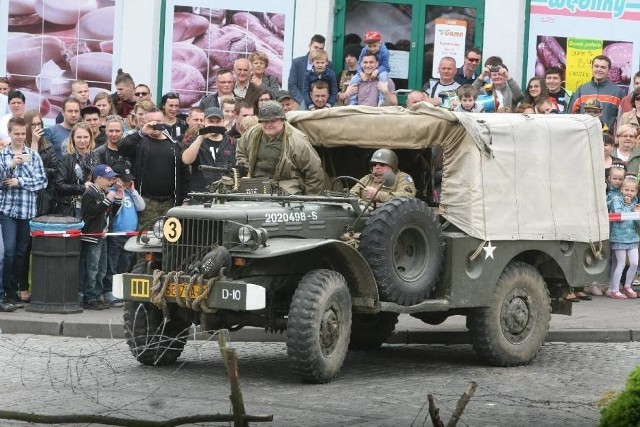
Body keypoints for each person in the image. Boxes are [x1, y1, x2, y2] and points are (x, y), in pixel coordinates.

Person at [0, 116, 47, 310]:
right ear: (9, 133)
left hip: (27, 210)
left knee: (21, 253)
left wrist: (20, 181)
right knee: (8, 252)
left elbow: (42, 181)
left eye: (22, 133)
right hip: (7, 209)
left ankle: (15, 290)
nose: (20, 137)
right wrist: (10, 167)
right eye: (16, 134)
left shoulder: (33, 155)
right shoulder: (3, 154)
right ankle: (6, 291)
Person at [118, 107, 190, 228]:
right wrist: (141, 133)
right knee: (145, 240)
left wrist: (186, 200)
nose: (155, 124)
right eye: (151, 121)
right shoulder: (139, 142)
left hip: (170, 202)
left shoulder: (174, 145)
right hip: (145, 202)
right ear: (145, 123)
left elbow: (185, 174)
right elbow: (122, 147)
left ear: (164, 121)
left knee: (169, 241)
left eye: (158, 121)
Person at [236, 101, 324, 195]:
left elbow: (314, 173)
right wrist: (246, 169)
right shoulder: (251, 134)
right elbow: (241, 151)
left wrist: (309, 202)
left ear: (283, 120)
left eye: (273, 121)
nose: (268, 124)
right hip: (255, 183)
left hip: (286, 184)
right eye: (265, 121)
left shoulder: (298, 142)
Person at [103, 160, 145, 307]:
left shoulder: (130, 192)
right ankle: (109, 291)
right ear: (115, 179)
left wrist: (132, 191)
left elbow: (141, 206)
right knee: (112, 264)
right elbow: (115, 212)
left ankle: (121, 291)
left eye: (128, 181)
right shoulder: (112, 193)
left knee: (125, 264)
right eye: (124, 180)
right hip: (117, 235)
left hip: (130, 235)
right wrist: (119, 192)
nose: (127, 183)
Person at [79, 164, 118, 310]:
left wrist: (117, 200)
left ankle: (97, 294)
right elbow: (90, 212)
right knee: (92, 268)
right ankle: (89, 297)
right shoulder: (90, 193)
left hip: (102, 235)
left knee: (102, 268)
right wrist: (107, 201)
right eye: (108, 179)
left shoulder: (103, 192)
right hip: (92, 235)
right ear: (99, 178)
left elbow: (109, 213)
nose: (111, 182)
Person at [182, 107, 236, 202]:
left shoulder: (231, 142)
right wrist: (200, 138)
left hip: (225, 196)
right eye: (211, 121)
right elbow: (186, 160)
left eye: (218, 121)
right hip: (200, 196)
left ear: (223, 122)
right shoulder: (195, 140)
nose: (214, 124)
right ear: (204, 122)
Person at [54, 123, 98, 217]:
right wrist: (83, 187)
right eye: (79, 137)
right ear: (73, 138)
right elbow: (59, 186)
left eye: (85, 137)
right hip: (74, 208)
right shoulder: (65, 160)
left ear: (90, 137)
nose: (82, 140)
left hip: (94, 206)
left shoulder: (97, 157)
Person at [569, 55, 624, 129]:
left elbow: (623, 119)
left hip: (607, 138)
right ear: (592, 68)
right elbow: (571, 116)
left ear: (608, 70)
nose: (599, 69)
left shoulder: (617, 92)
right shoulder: (581, 90)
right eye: (596, 66)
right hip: (584, 136)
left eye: (603, 67)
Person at [607, 176, 640, 299]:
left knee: (634, 263)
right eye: (626, 190)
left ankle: (627, 286)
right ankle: (614, 289)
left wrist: (637, 213)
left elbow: (638, 224)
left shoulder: (635, 203)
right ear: (622, 190)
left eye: (632, 191)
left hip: (632, 237)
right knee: (620, 263)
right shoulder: (616, 200)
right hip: (619, 237)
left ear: (636, 192)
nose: (629, 193)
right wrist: (629, 207)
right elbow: (619, 216)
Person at [350, 149, 416, 203]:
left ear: (392, 167)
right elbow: (351, 194)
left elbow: (408, 197)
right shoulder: (368, 178)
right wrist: (363, 204)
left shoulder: (402, 178)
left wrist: (378, 195)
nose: (377, 167)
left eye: (382, 164)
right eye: (374, 164)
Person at [24, 110, 58, 216]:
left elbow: (55, 171)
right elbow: (27, 169)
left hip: (44, 196)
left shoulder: (48, 146)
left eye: (39, 124)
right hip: (25, 195)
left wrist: (39, 171)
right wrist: (34, 142)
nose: (37, 127)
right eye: (33, 125)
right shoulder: (20, 145)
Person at [288, 34, 330, 107]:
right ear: (310, 46)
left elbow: (330, 86)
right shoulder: (297, 62)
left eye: (321, 49)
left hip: (321, 103)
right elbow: (292, 85)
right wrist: (303, 102)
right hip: (301, 102)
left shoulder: (328, 64)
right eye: (315, 47)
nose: (318, 51)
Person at [351, 31, 390, 106]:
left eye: (374, 46)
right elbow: (359, 63)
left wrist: (377, 70)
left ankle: (381, 101)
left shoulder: (385, 52)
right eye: (370, 46)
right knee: (354, 79)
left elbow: (386, 66)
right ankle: (352, 102)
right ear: (366, 45)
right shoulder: (365, 50)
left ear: (380, 43)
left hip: (381, 70)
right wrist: (361, 73)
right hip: (365, 71)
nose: (372, 49)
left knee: (383, 78)